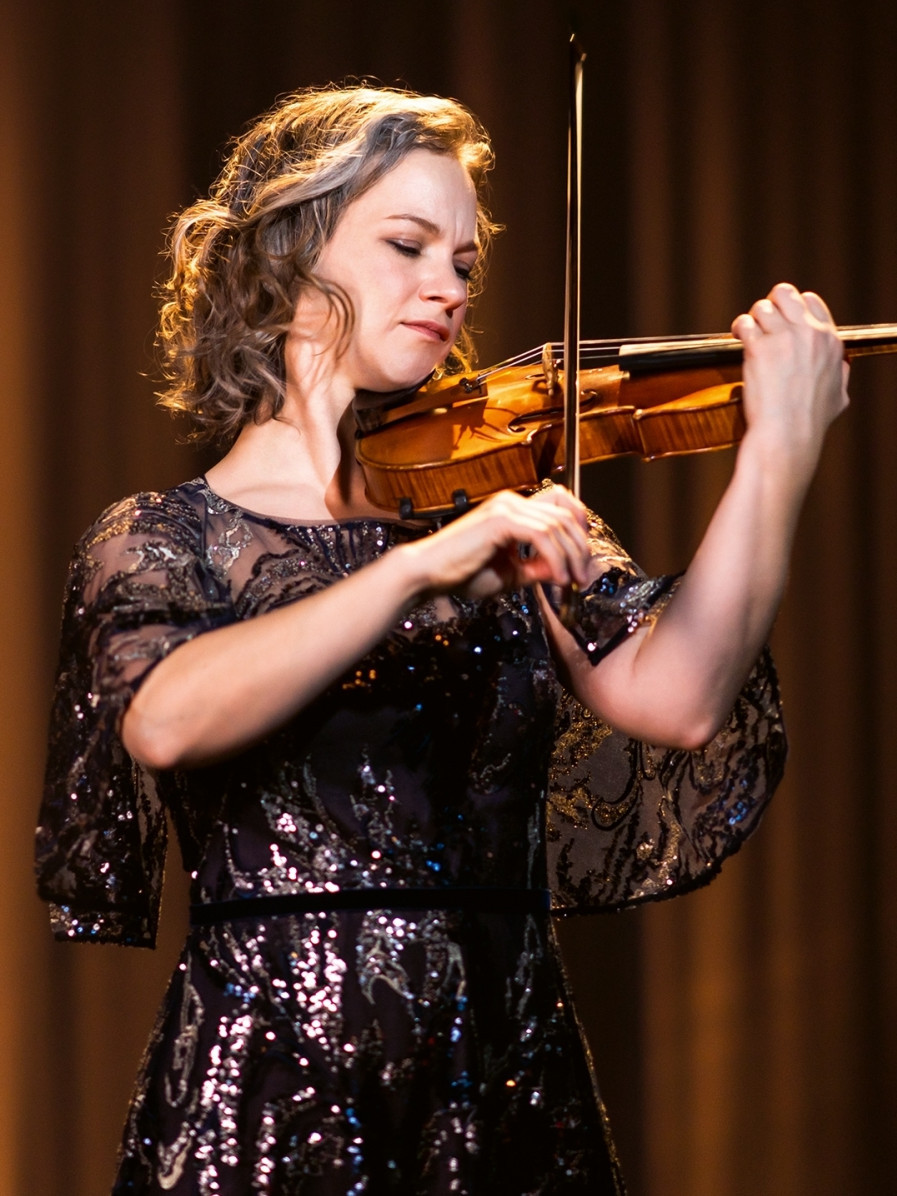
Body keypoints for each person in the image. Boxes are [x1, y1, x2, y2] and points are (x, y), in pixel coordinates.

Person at [35, 84, 848, 1195]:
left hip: (502, 1072)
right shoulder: (163, 538)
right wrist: (417, 565)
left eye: (464, 262)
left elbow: (685, 695)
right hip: (270, 1080)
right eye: (409, 243)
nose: (451, 288)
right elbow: (169, 715)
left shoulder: (497, 505)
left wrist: (780, 454)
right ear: (289, 249)